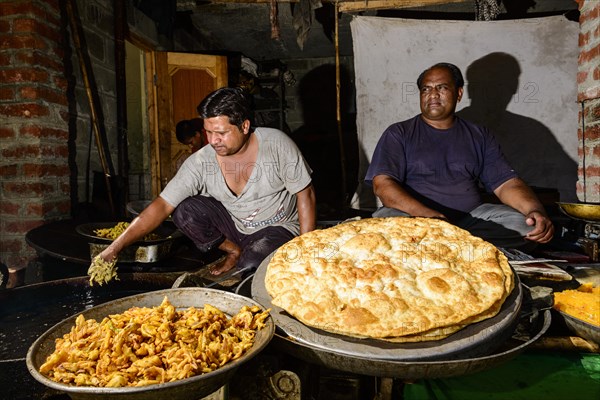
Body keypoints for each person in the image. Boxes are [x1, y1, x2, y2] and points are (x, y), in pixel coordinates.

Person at [95, 87, 317, 276]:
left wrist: (306, 250)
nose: (212, 141)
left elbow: (305, 194)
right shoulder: (201, 161)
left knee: (251, 268)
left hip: (277, 227)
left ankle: (248, 256)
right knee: (184, 210)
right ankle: (233, 250)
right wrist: (115, 248)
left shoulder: (277, 145)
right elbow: (162, 205)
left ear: (245, 126)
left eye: (221, 133)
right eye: (208, 132)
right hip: (236, 227)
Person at [365, 62, 554, 249]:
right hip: (416, 221)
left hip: (468, 223)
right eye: (426, 89)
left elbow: (507, 184)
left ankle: (446, 248)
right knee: (389, 222)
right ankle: (461, 249)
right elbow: (382, 185)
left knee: (524, 226)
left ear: (459, 93)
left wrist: (534, 210)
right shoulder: (399, 133)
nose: (432, 94)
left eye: (441, 87)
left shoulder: (478, 135)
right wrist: (428, 217)